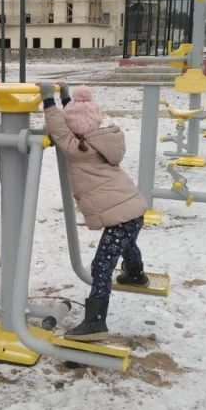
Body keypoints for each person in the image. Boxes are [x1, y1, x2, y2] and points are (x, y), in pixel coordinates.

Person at [38, 82, 149, 342]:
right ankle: (135, 273)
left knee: (101, 265)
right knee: (126, 242)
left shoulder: (78, 150)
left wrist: (48, 101)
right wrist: (67, 98)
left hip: (120, 216)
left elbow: (60, 130)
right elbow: (74, 123)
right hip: (132, 209)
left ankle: (95, 322)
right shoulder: (98, 140)